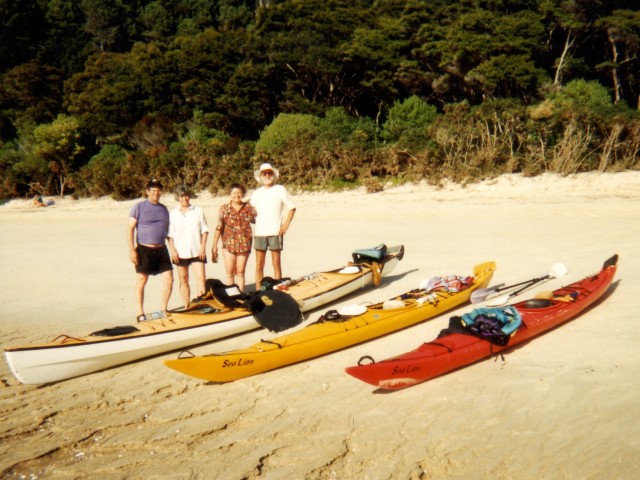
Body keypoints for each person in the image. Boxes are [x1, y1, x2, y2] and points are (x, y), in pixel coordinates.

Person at [127, 179, 173, 321]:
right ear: (147, 191)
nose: (156, 193)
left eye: (158, 190)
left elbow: (168, 233)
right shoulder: (138, 207)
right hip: (144, 249)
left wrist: (173, 250)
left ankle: (163, 309)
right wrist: (132, 250)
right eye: (153, 190)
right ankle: (140, 312)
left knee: (169, 279)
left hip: (161, 250)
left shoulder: (164, 209)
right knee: (142, 279)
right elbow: (130, 229)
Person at [250, 163, 296, 289]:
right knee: (259, 265)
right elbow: (251, 213)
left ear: (273, 174)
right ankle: (259, 290)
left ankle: (277, 290)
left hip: (275, 231)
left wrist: (285, 225)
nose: (267, 175)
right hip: (259, 232)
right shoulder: (256, 193)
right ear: (261, 176)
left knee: (276, 264)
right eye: (264, 173)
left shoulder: (280, 189)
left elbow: (292, 208)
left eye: (269, 173)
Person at [168, 185, 209, 308]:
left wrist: (202, 247)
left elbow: (205, 230)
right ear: (178, 198)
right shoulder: (173, 214)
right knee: (183, 280)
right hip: (180, 252)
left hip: (197, 251)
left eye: (186, 195)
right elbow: (170, 235)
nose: (184, 198)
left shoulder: (198, 211)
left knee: (201, 278)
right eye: (181, 196)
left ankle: (202, 305)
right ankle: (187, 305)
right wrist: (173, 250)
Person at [212, 183, 257, 291]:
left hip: (244, 244)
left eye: (239, 193)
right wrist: (214, 245)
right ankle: (232, 297)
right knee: (229, 273)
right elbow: (219, 227)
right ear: (229, 194)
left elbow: (257, 221)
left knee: (240, 272)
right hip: (228, 244)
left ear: (243, 194)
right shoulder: (224, 208)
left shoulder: (249, 209)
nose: (236, 195)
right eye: (234, 193)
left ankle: (240, 296)